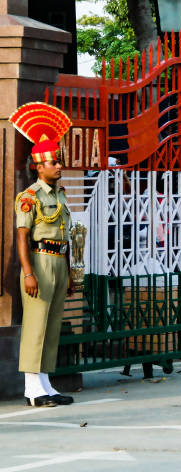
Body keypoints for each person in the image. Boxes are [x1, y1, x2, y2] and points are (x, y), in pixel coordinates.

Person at [10, 101, 75, 407]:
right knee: (36, 323)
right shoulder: (29, 197)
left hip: (59, 261)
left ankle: (46, 384)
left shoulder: (60, 194)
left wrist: (71, 271)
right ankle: (32, 388)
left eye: (58, 161)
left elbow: (67, 234)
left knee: (52, 325)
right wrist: (28, 272)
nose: (58, 166)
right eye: (53, 163)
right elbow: (22, 237)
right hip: (39, 260)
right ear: (39, 166)